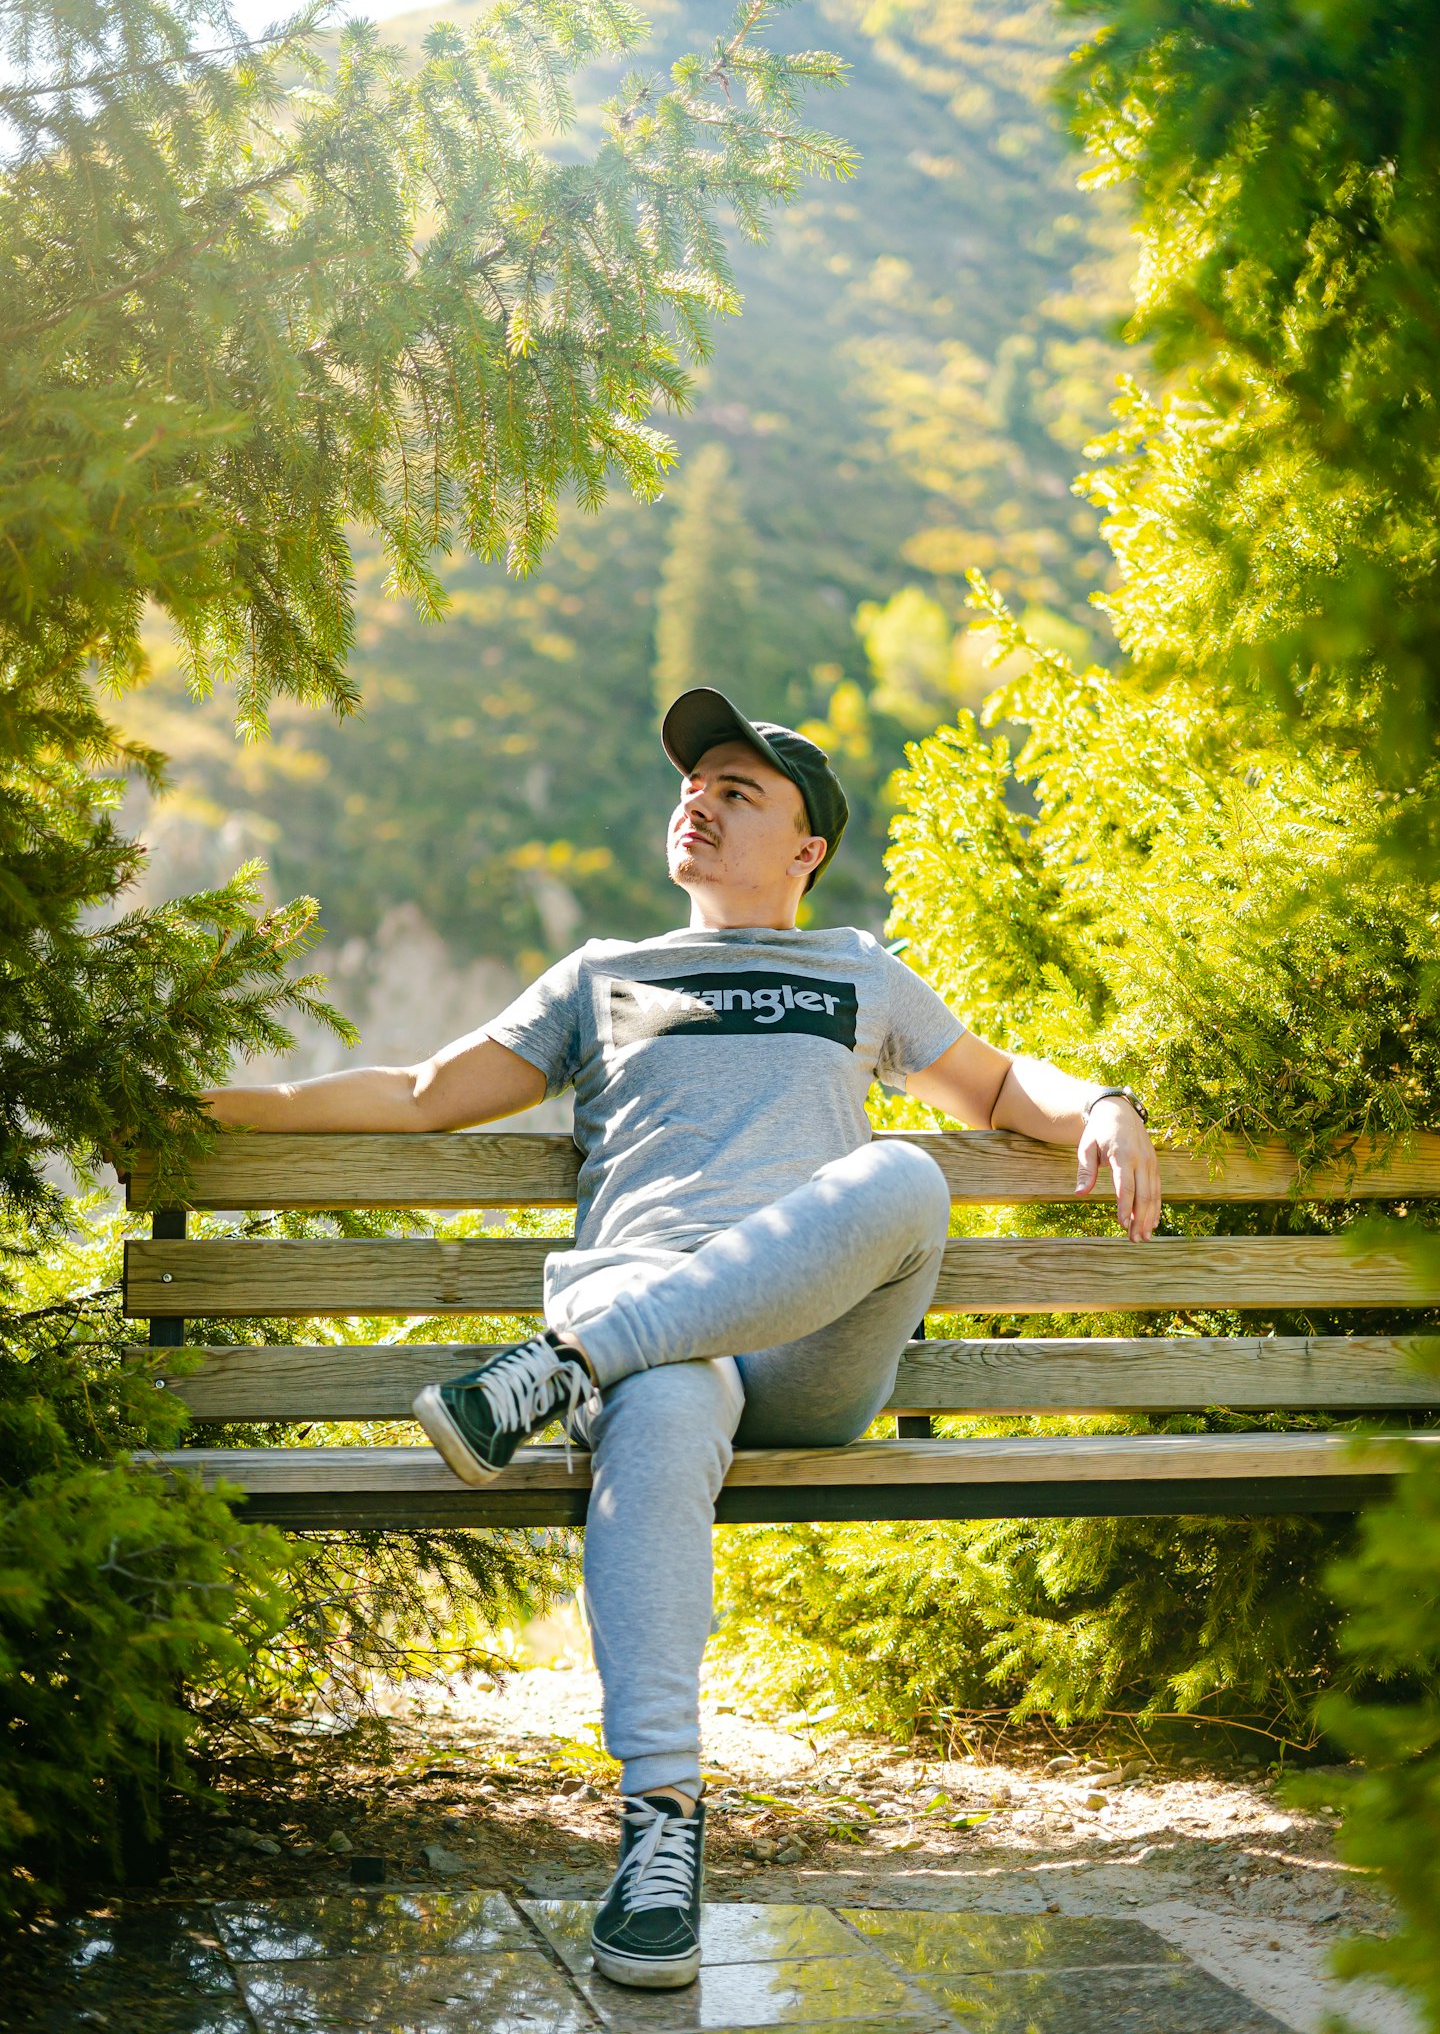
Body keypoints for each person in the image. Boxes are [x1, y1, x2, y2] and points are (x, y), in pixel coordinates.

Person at [201, 685, 1161, 1990]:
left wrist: (1100, 1101)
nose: (697, 804)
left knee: (910, 1182)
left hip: (804, 1357)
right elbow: (427, 1095)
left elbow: (994, 1088)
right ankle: (660, 1835)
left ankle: (563, 1364)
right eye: (691, 786)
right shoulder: (604, 974)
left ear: (807, 847)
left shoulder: (856, 973)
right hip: (669, 1373)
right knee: (663, 1391)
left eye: (737, 792)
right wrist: (212, 1104)